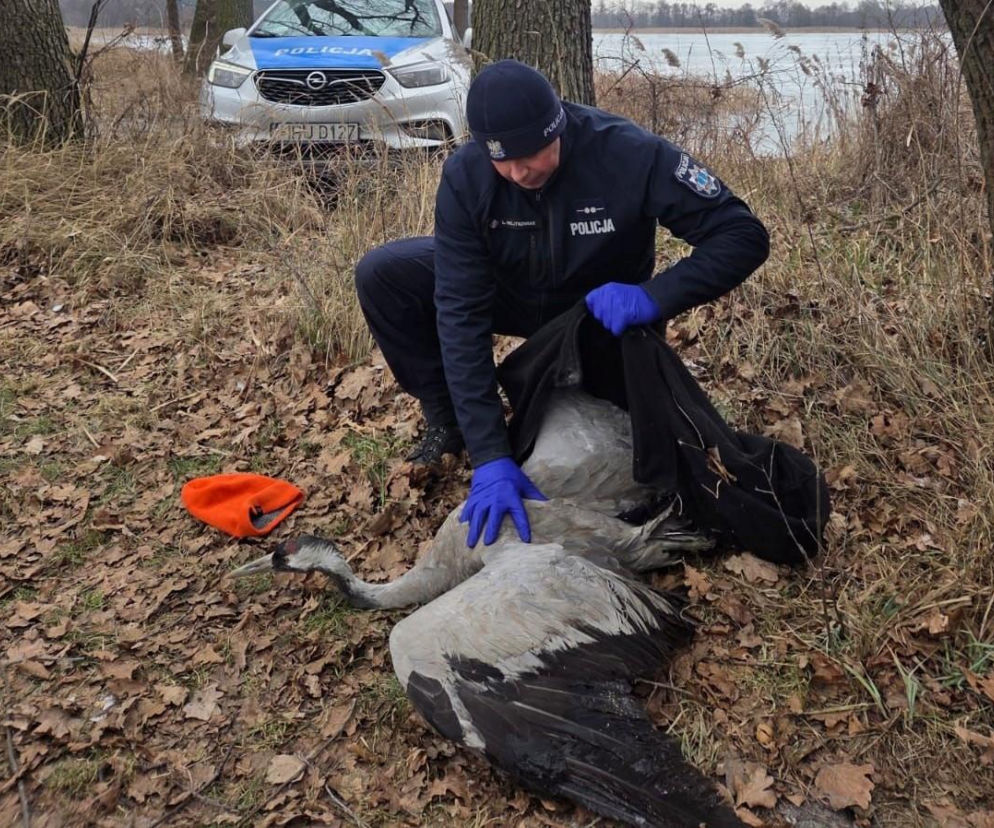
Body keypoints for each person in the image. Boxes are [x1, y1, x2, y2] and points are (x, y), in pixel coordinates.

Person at [355, 59, 769, 548]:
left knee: (625, 441)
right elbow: (460, 313)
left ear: (559, 129)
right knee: (384, 273)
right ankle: (448, 422)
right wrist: (490, 455)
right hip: (509, 292)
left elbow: (741, 234)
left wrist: (653, 297)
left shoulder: (628, 153)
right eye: (501, 160)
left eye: (530, 154)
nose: (517, 172)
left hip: (595, 315)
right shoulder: (466, 178)